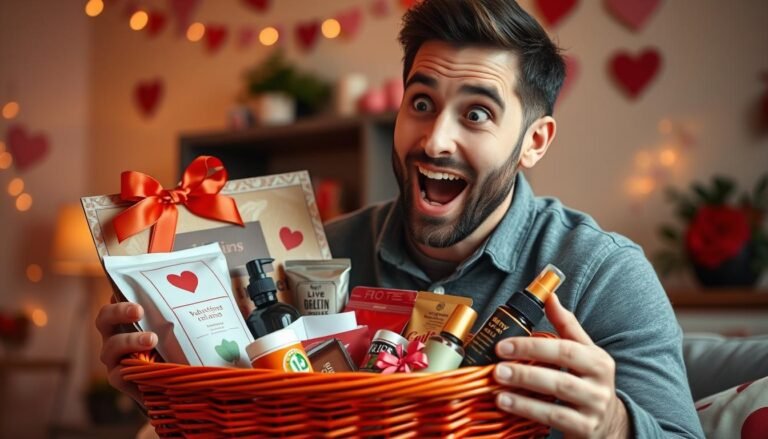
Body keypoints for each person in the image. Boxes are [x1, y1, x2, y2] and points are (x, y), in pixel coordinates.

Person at [96, 0, 705, 437]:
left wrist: (614, 425)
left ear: (534, 141)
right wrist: (160, 385)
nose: (435, 139)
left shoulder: (603, 273)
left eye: (476, 115)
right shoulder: (319, 258)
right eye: (422, 103)